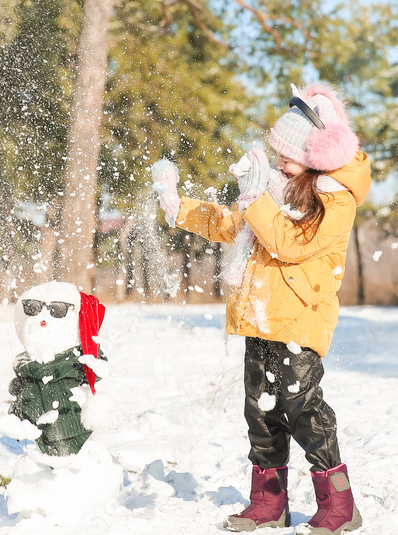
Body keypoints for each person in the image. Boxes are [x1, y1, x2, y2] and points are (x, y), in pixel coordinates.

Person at [150, 82, 371, 535]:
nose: (279, 160)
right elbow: (233, 223)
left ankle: (340, 503)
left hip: (300, 317)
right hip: (261, 314)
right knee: (262, 410)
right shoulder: (276, 187)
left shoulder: (335, 199)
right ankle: (269, 503)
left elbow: (290, 243)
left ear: (318, 155)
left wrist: (255, 200)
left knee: (302, 407)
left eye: (288, 154)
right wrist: (178, 208)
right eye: (277, 152)